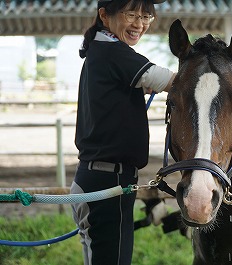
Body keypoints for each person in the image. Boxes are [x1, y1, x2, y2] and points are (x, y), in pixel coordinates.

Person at [70, 0, 174, 264]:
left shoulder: (102, 50)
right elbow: (175, 81)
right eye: (131, 14)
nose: (139, 24)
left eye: (146, 16)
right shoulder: (113, 51)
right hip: (107, 182)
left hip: (99, 177)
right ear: (105, 16)